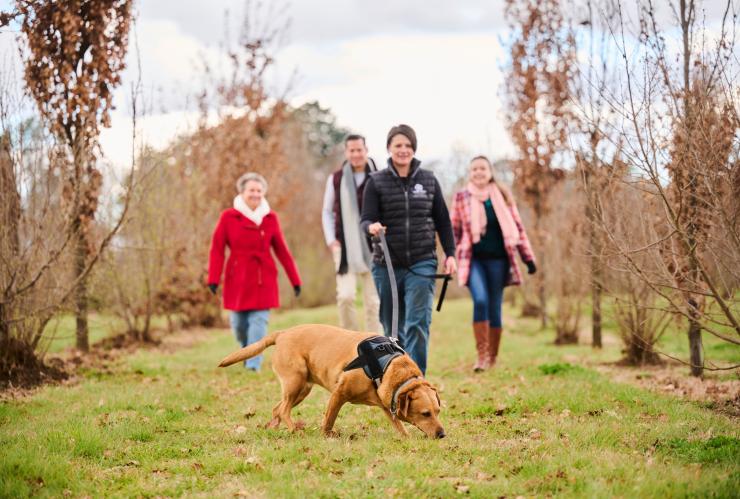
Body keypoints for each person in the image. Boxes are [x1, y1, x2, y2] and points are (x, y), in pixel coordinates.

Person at [360, 124, 457, 375]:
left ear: (414, 148)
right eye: (397, 145)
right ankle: (397, 376)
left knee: (417, 323)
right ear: (389, 149)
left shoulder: (428, 180)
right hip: (386, 264)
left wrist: (451, 254)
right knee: (393, 327)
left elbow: (443, 221)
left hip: (422, 262)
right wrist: (372, 226)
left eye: (407, 145)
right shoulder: (376, 181)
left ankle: (417, 379)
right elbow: (365, 219)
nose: (403, 150)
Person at [207, 172, 302, 372]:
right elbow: (217, 248)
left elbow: (282, 251)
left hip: (263, 278)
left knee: (259, 322)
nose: (256, 194)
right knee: (239, 327)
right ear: (242, 192)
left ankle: (252, 365)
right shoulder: (228, 217)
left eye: (259, 191)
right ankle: (246, 350)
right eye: (252, 190)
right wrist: (213, 278)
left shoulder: (270, 218)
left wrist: (295, 280)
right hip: (237, 278)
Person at [450, 156, 536, 372]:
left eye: (483, 168)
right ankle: (481, 357)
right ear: (470, 172)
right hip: (473, 260)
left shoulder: (502, 194)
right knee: (480, 301)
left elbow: (518, 227)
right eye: (475, 169)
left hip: (499, 261)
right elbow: (453, 231)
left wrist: (528, 258)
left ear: (490, 171)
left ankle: (492, 358)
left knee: (495, 307)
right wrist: (449, 255)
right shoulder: (461, 196)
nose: (479, 172)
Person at [321, 134, 381, 332]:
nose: (356, 154)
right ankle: (350, 343)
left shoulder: (379, 176)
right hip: (344, 247)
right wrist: (331, 240)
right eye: (351, 150)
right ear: (346, 152)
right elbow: (327, 211)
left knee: (373, 302)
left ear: (366, 150)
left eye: (359, 150)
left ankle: (375, 346)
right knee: (345, 297)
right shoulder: (336, 179)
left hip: (374, 247)